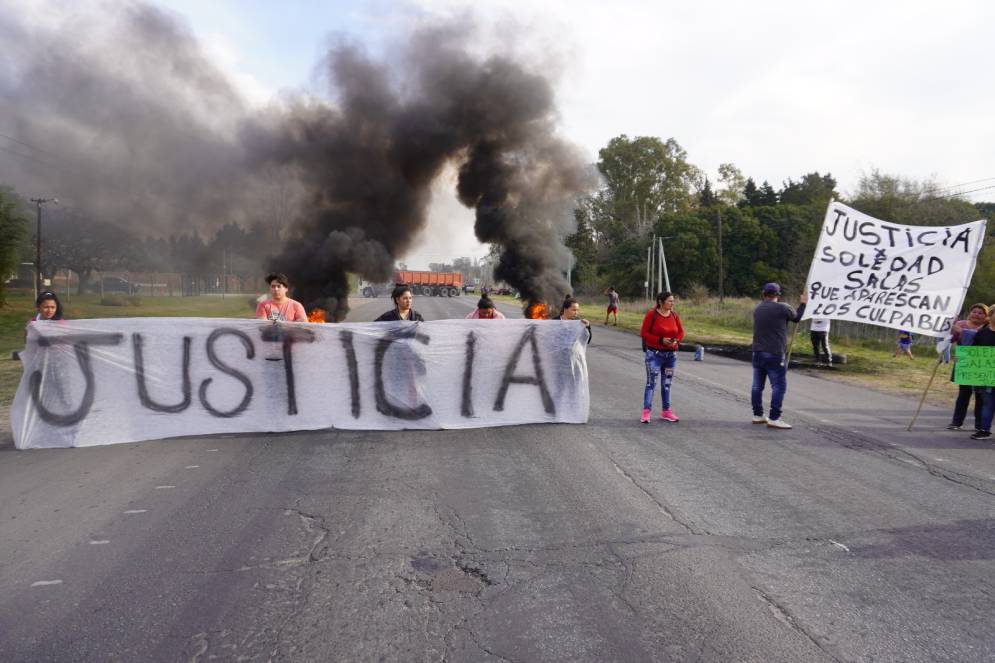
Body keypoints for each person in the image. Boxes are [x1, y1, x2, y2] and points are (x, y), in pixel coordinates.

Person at [751, 282, 807, 429]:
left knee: (757, 386)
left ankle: (757, 415)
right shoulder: (783, 308)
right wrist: (803, 303)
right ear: (777, 294)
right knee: (778, 387)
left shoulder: (758, 309)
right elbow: (797, 318)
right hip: (774, 352)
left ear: (764, 293)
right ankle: (774, 418)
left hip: (757, 351)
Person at [639, 291, 685, 423]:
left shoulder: (674, 315)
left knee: (667, 384)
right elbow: (644, 333)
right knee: (651, 383)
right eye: (670, 301)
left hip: (671, 356)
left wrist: (676, 340)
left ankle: (666, 411)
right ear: (661, 302)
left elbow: (681, 332)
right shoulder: (651, 315)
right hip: (654, 355)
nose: (672, 303)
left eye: (673, 301)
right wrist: (660, 340)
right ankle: (646, 412)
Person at [947, 303, 989, 431]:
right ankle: (956, 422)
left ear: (986, 316)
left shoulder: (987, 327)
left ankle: (979, 425)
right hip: (964, 361)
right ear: (970, 313)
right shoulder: (961, 324)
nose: (976, 314)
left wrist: (963, 331)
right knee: (964, 393)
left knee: (980, 395)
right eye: (974, 311)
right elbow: (951, 339)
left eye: (980, 312)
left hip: (981, 363)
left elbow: (981, 335)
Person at [968, 306, 995, 440]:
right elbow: (973, 352)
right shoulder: (982, 333)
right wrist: (962, 359)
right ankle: (984, 430)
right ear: (991, 315)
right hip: (987, 376)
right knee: (988, 403)